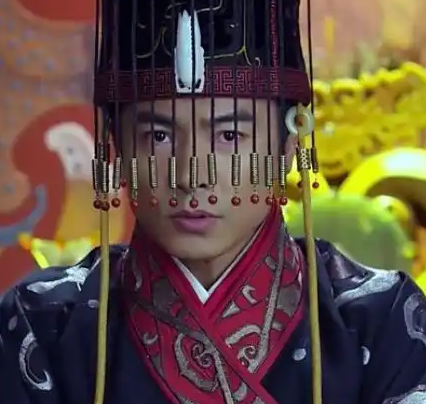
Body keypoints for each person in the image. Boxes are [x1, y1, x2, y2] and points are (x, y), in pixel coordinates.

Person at [1, 1, 426, 404]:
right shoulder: (44, 324)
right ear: (118, 148)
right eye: (159, 136)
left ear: (286, 150)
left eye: (228, 136)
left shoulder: (380, 321)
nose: (191, 176)